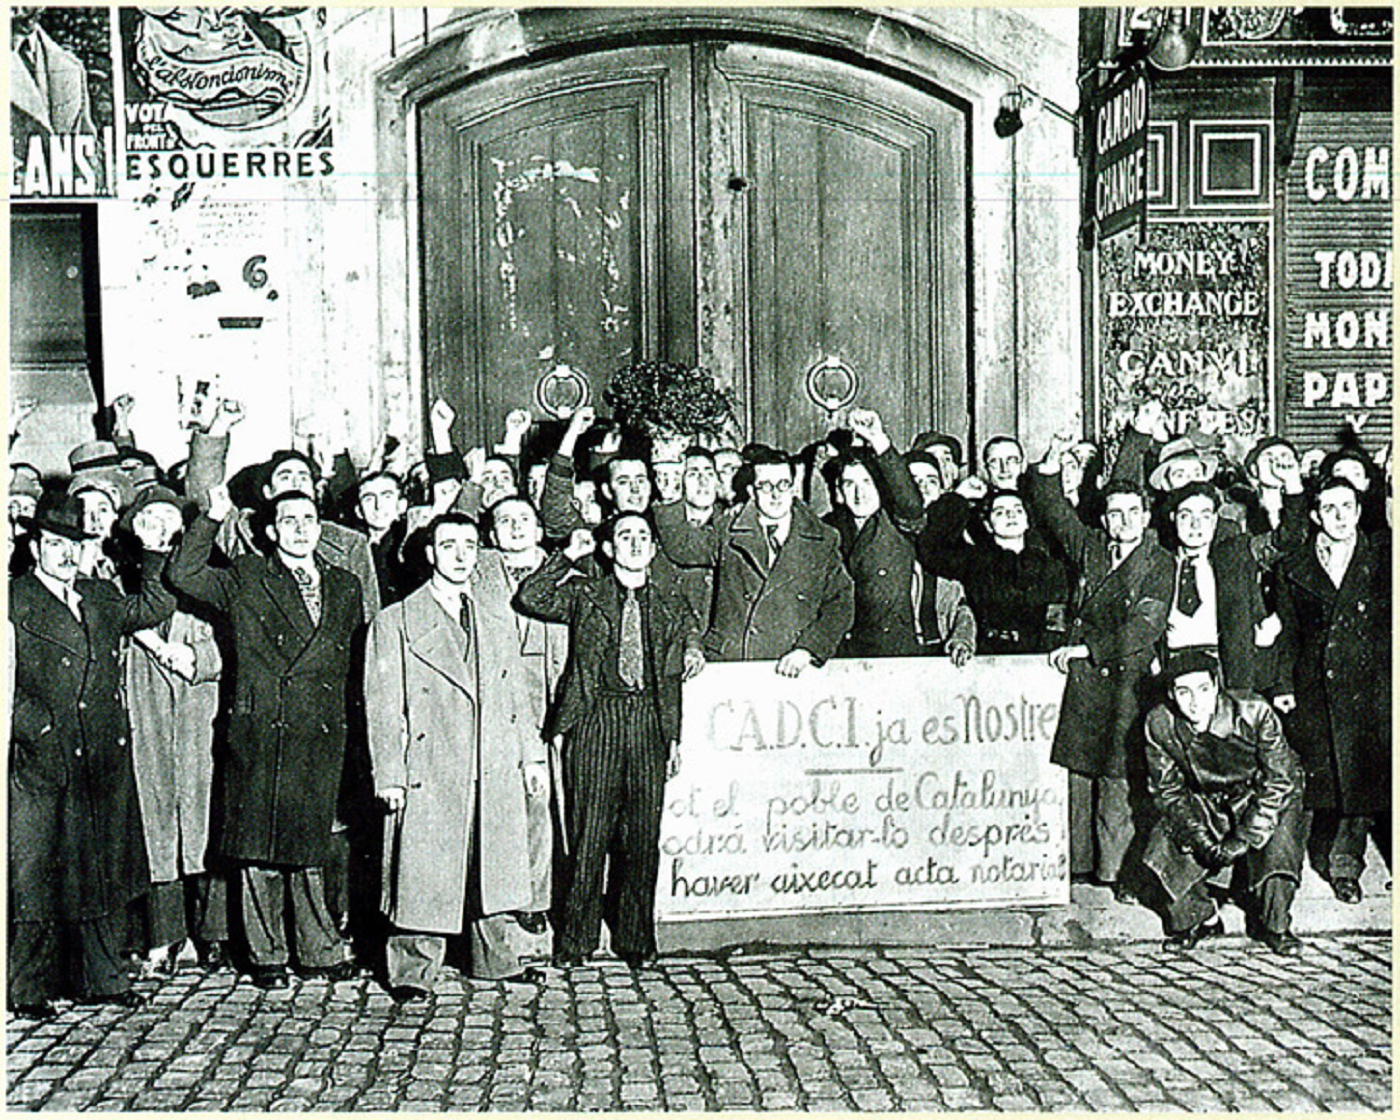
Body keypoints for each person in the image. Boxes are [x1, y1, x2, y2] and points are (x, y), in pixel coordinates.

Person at [169, 485, 361, 989]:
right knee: (260, 848)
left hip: (320, 728)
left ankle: (320, 950)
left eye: (308, 519)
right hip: (264, 729)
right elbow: (183, 574)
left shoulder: (345, 584)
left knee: (312, 844)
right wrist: (210, 518)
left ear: (320, 528)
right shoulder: (248, 577)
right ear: (271, 532)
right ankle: (267, 956)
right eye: (289, 520)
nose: (300, 528)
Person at [365, 514, 551, 1000]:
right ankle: (413, 970)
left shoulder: (496, 618)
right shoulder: (396, 621)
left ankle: (496, 958)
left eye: (469, 545)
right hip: (431, 764)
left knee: (494, 863)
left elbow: (518, 698)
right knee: (422, 869)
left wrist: (531, 757)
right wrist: (390, 773)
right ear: (430, 554)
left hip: (491, 759)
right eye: (449, 545)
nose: (461, 555)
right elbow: (384, 705)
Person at [9, 495, 175, 1018]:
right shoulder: (14, 600)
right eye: (53, 545)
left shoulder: (98, 594)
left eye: (72, 547)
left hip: (101, 754)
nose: (63, 556)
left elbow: (153, 608)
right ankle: (27, 988)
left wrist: (152, 554)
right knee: (38, 872)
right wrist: (34, 726)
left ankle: (105, 979)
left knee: (102, 865)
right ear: (34, 547)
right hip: (46, 757)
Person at [514, 514, 703, 970]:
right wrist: (568, 555)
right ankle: (576, 940)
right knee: (588, 834)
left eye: (643, 537)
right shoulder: (586, 594)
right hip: (596, 718)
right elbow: (530, 596)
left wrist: (672, 735)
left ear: (654, 549)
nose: (635, 543)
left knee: (642, 837)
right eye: (625, 537)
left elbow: (676, 668)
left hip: (647, 723)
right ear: (610, 549)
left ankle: (636, 939)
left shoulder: (671, 603)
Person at [1028, 436, 1173, 895]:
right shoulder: (1091, 546)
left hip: (1126, 680)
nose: (1124, 521)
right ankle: (1076, 870)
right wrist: (1050, 464)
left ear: (1147, 516)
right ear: (1104, 518)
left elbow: (1143, 627)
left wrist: (1088, 650)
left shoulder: (1160, 561)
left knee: (1118, 781)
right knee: (1077, 776)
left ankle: (1118, 875)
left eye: (1133, 512)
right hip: (1085, 682)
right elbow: (1052, 511)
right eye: (1115, 513)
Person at [122, 486, 230, 975]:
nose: (159, 527)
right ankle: (167, 937)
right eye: (149, 519)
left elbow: (236, 643)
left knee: (204, 819)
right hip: (146, 716)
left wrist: (202, 661)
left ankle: (214, 935)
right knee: (156, 824)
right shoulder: (121, 579)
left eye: (168, 518)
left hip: (198, 714)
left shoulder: (205, 576)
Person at [1142, 651, 1307, 956]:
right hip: (1207, 799)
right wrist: (1198, 835)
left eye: (1203, 689)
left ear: (1217, 686)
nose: (1195, 702)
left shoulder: (1254, 711)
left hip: (1265, 794)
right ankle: (1201, 919)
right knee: (1163, 846)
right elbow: (1167, 792)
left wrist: (1246, 836)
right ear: (1170, 695)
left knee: (1280, 847)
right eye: (1183, 692)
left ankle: (1275, 926)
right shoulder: (1159, 724)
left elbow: (1280, 779)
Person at [1274, 479, 1390, 903]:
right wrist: (1284, 684)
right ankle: (1283, 873)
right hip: (1314, 686)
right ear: (1314, 515)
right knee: (1313, 779)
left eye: (1347, 506)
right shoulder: (1294, 565)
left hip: (1372, 686)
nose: (1340, 516)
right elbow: (1287, 634)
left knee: (1360, 781)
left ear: (1360, 511)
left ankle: (1345, 867)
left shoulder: (1384, 557)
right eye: (1329, 508)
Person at [658, 445, 853, 675]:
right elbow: (684, 548)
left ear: (793, 488)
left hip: (789, 666)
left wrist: (808, 649)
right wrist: (670, 497)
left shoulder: (822, 538)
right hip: (733, 663)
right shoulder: (729, 529)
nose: (775, 494)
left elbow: (841, 602)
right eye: (765, 486)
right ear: (751, 491)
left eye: (783, 485)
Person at [183, 398, 380, 622]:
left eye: (303, 477)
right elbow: (205, 495)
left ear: (315, 491)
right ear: (268, 492)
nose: (295, 482)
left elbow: (370, 618)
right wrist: (220, 425)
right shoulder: (244, 533)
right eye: (285, 477)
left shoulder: (349, 543)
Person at [826, 409, 975, 661]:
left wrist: (879, 440)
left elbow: (909, 501)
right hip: (844, 657)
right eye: (849, 484)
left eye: (867, 483)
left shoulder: (899, 523)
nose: (859, 493)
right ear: (839, 491)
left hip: (893, 653)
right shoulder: (831, 529)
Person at [934, 489, 1065, 655]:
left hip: (1036, 657)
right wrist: (958, 498)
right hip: (987, 655)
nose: (1011, 515)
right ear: (988, 525)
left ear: (1028, 521)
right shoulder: (975, 561)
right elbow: (935, 547)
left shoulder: (1049, 566)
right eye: (1000, 512)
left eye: (1018, 510)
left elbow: (1056, 622)